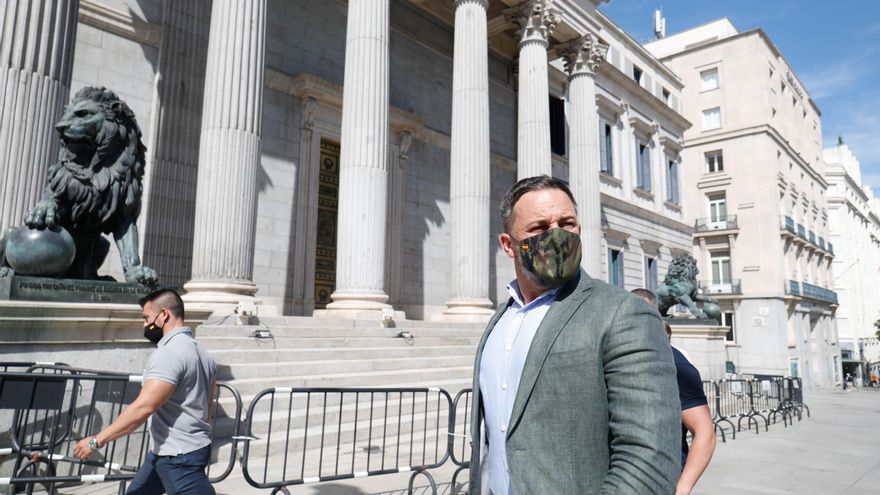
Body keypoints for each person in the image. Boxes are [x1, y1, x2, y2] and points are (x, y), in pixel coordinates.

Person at [469, 176, 680, 494]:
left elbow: (649, 459)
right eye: (539, 228)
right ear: (509, 245)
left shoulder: (623, 313)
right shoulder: (499, 322)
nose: (556, 236)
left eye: (566, 223)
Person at [73, 289, 217, 495]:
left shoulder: (169, 353)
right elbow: (209, 407)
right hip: (172, 452)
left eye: (146, 318)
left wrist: (96, 441)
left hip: (178, 457)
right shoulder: (203, 353)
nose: (144, 325)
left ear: (164, 314)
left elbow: (144, 407)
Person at [632, 289, 717, 495]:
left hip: (660, 478)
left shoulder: (676, 365)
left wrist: (682, 489)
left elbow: (705, 433)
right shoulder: (619, 357)